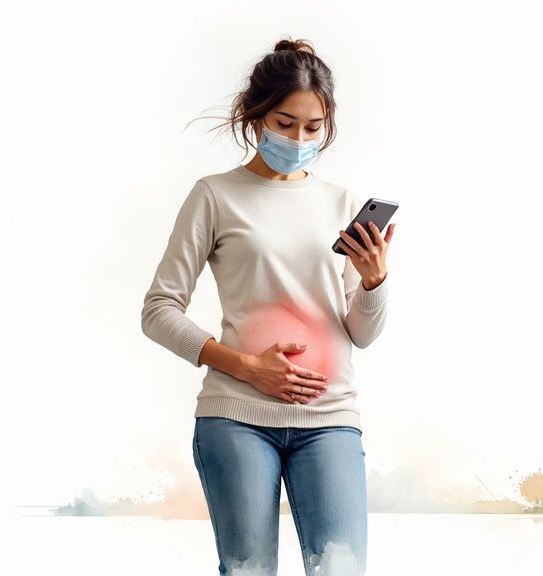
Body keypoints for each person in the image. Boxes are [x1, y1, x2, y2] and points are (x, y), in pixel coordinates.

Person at [140, 37, 395, 576]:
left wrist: (374, 284)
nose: (298, 138)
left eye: (311, 128)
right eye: (284, 123)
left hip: (329, 419)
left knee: (341, 569)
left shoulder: (344, 203)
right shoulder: (214, 195)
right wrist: (249, 368)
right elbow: (159, 309)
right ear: (254, 115)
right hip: (235, 418)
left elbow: (361, 333)